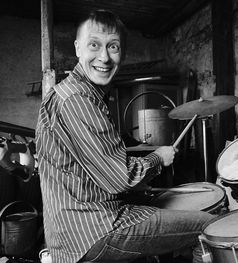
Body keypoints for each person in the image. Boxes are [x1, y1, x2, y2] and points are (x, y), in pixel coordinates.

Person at [35, 10, 215, 263]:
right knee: (208, 227)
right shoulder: (78, 99)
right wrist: (158, 158)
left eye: (113, 47)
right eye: (94, 45)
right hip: (94, 229)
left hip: (75, 229)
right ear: (77, 48)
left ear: (123, 52)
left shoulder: (68, 93)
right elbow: (121, 178)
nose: (104, 57)